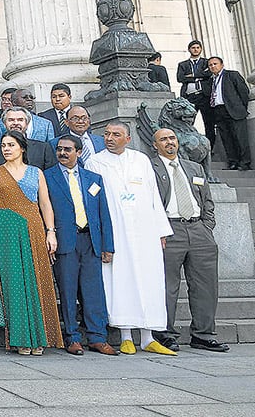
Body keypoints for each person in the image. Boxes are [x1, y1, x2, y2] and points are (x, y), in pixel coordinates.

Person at [87, 122, 177, 355]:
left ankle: (148, 336)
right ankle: (126, 334)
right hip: (116, 231)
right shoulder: (95, 162)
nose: (110, 138)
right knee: (121, 280)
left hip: (145, 230)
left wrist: (160, 230)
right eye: (106, 134)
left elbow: (154, 196)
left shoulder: (141, 160)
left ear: (127, 138)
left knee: (149, 280)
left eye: (116, 135)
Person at [0, 131, 63, 355]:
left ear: (22, 148)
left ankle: (40, 338)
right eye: (3, 145)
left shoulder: (36, 173)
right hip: (5, 229)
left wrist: (51, 232)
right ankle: (20, 339)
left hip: (34, 228)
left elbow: (45, 204)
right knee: (13, 283)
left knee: (38, 278)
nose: (6, 149)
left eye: (11, 145)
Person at [149, 128, 227, 352]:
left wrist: (207, 225)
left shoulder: (194, 167)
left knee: (205, 285)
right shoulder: (149, 168)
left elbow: (207, 200)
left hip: (198, 229)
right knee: (167, 285)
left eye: (172, 138)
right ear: (155, 145)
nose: (169, 143)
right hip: (169, 229)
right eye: (163, 140)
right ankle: (165, 332)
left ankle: (203, 334)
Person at [45, 135, 117, 355]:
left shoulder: (94, 178)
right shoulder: (47, 177)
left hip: (90, 241)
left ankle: (97, 337)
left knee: (94, 291)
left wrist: (108, 245)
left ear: (78, 151)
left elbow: (103, 213)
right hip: (65, 241)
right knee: (67, 291)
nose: (62, 153)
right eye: (59, 149)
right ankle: (72, 337)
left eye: (67, 149)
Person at [203, 55, 251, 170]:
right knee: (227, 138)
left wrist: (241, 108)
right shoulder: (211, 80)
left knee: (240, 138)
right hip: (218, 111)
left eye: (215, 64)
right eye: (210, 65)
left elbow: (244, 92)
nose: (213, 66)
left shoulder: (232, 75)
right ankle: (233, 161)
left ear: (222, 65)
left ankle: (245, 162)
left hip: (234, 110)